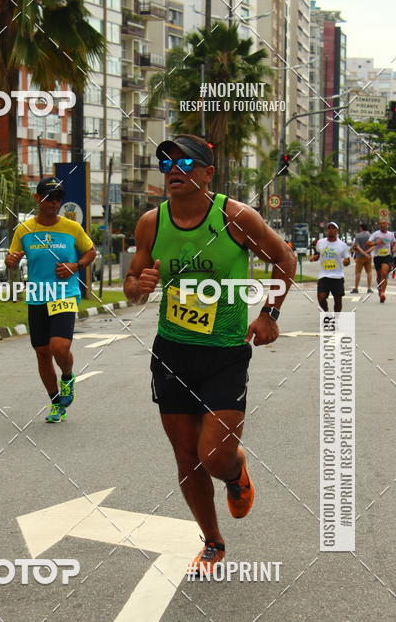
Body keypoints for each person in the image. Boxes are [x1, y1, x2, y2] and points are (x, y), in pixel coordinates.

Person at [123, 134, 296, 576]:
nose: (174, 172)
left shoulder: (235, 217)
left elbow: (285, 259)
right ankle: (213, 542)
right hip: (172, 352)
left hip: (224, 353)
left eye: (184, 164)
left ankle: (235, 473)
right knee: (187, 458)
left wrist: (270, 314)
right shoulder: (151, 223)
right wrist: (139, 287)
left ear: (207, 173)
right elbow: (132, 286)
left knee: (214, 456)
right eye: (167, 165)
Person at [5, 176, 96, 423]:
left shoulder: (72, 228)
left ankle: (67, 376)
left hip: (64, 294)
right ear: (38, 198)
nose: (54, 202)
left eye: (58, 198)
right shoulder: (24, 230)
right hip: (37, 297)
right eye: (49, 197)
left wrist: (75, 266)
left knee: (59, 347)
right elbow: (11, 260)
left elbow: (90, 251)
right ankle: (56, 403)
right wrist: (11, 261)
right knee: (43, 352)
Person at [310, 222, 350, 313]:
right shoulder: (321, 242)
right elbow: (317, 254)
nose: (330, 230)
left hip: (337, 276)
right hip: (323, 275)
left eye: (333, 228)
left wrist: (346, 262)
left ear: (337, 231)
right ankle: (326, 312)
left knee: (338, 299)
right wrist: (314, 258)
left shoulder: (342, 245)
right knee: (321, 297)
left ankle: (336, 317)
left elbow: (347, 260)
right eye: (329, 228)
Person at [366, 220, 396, 302]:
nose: (382, 225)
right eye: (380, 224)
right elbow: (368, 243)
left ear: (387, 224)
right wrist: (376, 243)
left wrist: (393, 249)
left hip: (387, 256)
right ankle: (380, 288)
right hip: (377, 257)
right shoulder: (376, 234)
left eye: (384, 223)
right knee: (379, 276)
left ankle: (383, 293)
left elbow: (393, 243)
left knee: (384, 273)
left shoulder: (390, 234)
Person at [350, 223, 373, 293]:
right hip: (369, 256)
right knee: (369, 272)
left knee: (358, 273)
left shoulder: (358, 236)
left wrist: (363, 253)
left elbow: (357, 246)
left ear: (361, 228)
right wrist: (367, 253)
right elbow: (373, 246)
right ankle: (369, 288)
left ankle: (356, 288)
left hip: (359, 256)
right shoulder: (371, 236)